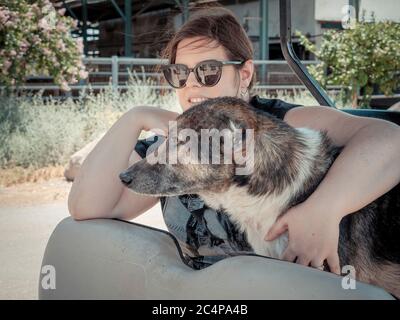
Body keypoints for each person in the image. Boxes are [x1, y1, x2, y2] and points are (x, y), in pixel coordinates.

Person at [68, 7, 400, 273]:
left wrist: (323, 209)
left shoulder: (277, 124)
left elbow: (388, 139)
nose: (191, 86)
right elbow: (87, 207)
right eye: (179, 74)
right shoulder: (166, 146)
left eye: (208, 71)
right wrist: (135, 117)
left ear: (243, 74)